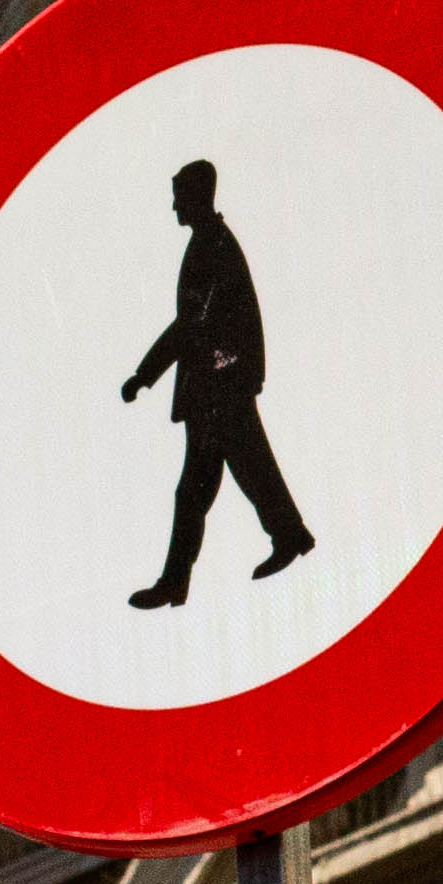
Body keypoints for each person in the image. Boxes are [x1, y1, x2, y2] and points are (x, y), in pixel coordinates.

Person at [121, 159, 312, 607]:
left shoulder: (213, 247)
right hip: (220, 386)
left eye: (178, 198)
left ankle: (178, 581)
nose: (174, 207)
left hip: (219, 388)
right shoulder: (210, 243)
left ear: (196, 197)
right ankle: (288, 535)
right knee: (237, 475)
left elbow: (190, 325)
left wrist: (144, 375)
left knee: (205, 486)